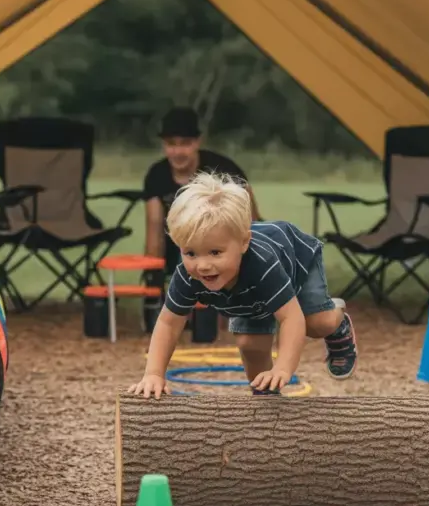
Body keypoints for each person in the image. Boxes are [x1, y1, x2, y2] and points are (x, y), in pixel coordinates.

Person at [129, 171, 358, 399]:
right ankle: (266, 399)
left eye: (215, 252)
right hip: (251, 294)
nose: (203, 266)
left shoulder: (262, 263)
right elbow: (169, 324)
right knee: (250, 343)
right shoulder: (187, 275)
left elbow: (290, 318)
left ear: (244, 243)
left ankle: (339, 324)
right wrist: (154, 374)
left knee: (317, 323)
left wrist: (282, 368)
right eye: (190, 252)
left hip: (297, 263)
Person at [143, 107, 262, 276]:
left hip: (226, 253)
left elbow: (252, 223)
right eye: (171, 144)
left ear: (198, 142)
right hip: (181, 252)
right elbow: (154, 231)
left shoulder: (225, 170)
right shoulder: (156, 175)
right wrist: (152, 276)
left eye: (185, 143)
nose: (178, 152)